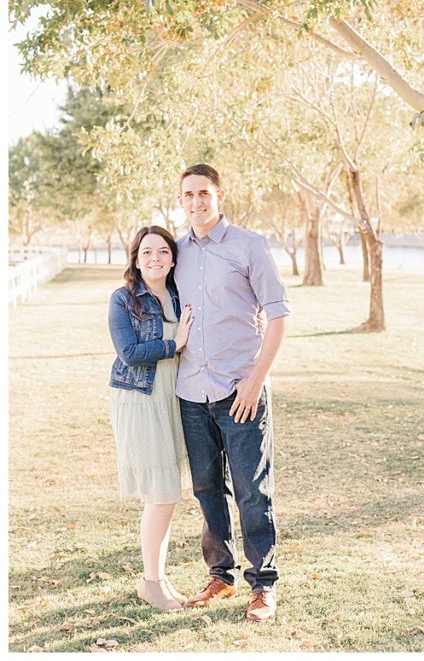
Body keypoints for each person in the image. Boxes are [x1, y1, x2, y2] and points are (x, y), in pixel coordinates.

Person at [174, 163, 291, 622]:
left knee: (252, 492)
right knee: (206, 490)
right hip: (191, 394)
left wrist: (256, 380)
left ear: (219, 196)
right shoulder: (177, 251)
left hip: (240, 391)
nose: (197, 201)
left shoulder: (249, 246)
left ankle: (262, 585)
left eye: (204, 193)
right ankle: (220, 576)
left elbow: (279, 316)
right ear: (180, 201)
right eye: (188, 195)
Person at [107, 225, 195, 611]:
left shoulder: (179, 294)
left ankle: (159, 576)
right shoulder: (123, 299)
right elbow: (128, 352)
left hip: (172, 396)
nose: (155, 258)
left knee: (168, 496)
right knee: (160, 495)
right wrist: (175, 344)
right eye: (147, 252)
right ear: (136, 259)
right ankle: (150, 583)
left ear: (173, 258)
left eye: (162, 251)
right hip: (140, 398)